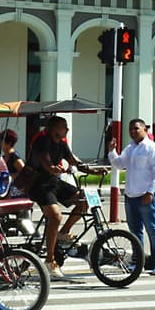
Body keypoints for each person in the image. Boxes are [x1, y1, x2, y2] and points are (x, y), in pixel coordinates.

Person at [26, 115, 93, 279]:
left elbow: (73, 160)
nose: (67, 130)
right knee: (55, 216)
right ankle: (50, 260)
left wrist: (92, 170)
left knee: (83, 201)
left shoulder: (61, 144)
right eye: (64, 127)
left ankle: (63, 233)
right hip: (38, 185)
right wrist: (52, 168)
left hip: (54, 182)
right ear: (54, 128)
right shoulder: (42, 142)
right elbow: (45, 161)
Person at [109, 118, 155, 275]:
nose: (133, 132)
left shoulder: (153, 149)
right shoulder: (130, 148)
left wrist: (150, 191)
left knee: (152, 230)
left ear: (145, 130)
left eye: (136, 128)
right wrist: (112, 151)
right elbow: (119, 164)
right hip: (131, 196)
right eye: (131, 129)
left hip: (147, 196)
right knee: (135, 232)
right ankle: (138, 262)